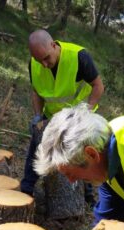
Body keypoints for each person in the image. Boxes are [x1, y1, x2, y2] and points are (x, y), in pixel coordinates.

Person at [21, 29, 104, 204]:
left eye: (46, 58)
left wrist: (86, 112)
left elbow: (98, 86)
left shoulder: (78, 56)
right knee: (37, 147)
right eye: (38, 60)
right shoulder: (34, 64)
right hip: (51, 115)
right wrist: (38, 117)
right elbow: (36, 91)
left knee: (80, 155)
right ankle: (27, 188)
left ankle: (87, 195)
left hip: (77, 117)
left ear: (53, 45)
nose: (43, 64)